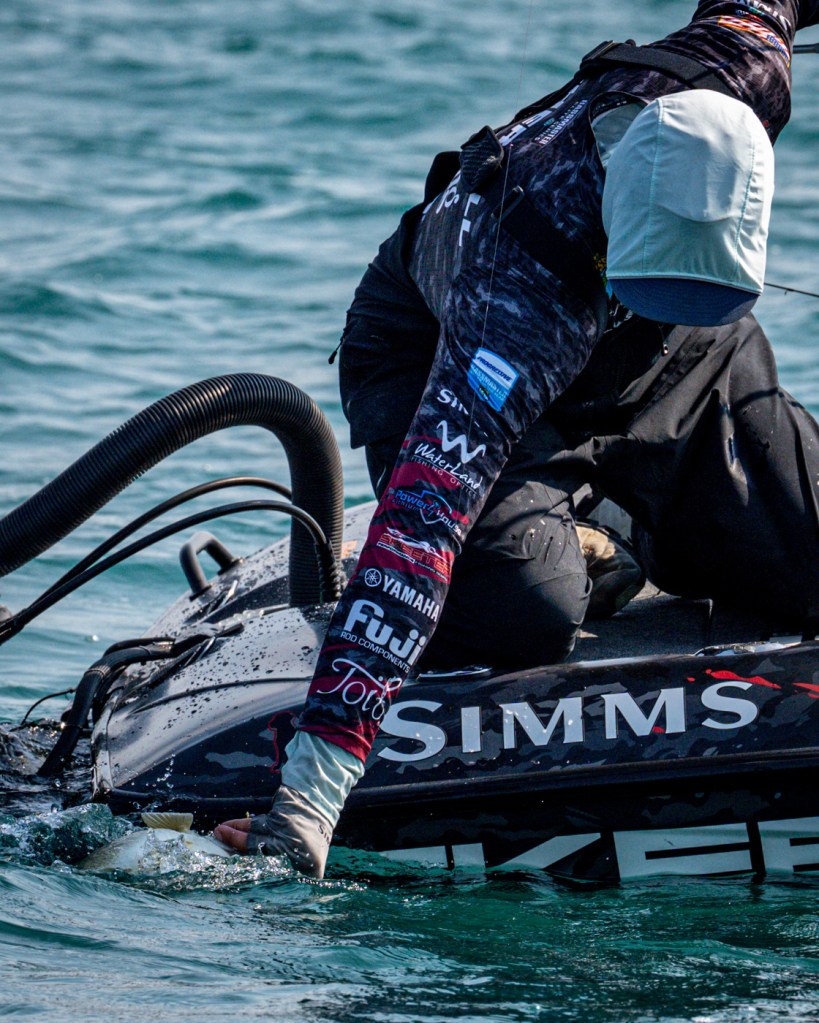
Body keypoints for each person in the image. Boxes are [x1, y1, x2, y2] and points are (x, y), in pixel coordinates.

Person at [215, 0, 819, 877]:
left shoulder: (747, 66)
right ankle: (578, 521)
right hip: (448, 355)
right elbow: (415, 540)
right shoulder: (517, 306)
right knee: (521, 608)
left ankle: (634, 518)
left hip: (681, 352)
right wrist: (305, 803)